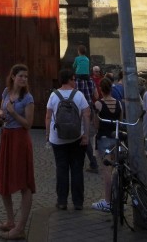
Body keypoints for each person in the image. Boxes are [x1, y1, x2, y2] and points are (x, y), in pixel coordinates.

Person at [0, 64, 35, 241]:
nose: (24, 79)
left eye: (26, 76)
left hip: (20, 139)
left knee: (24, 184)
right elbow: (3, 110)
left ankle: (20, 228)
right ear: (13, 77)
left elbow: (28, 124)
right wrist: (2, 113)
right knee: (3, 178)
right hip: (7, 137)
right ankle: (10, 220)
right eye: (21, 76)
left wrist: (13, 113)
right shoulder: (5, 92)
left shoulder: (28, 98)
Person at [45, 68, 90, 211]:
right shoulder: (79, 95)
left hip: (57, 139)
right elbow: (87, 115)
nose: (75, 81)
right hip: (77, 137)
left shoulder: (53, 95)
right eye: (74, 79)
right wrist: (86, 135)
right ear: (70, 80)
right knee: (77, 169)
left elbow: (47, 116)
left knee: (61, 169)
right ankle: (78, 202)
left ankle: (62, 201)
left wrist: (47, 135)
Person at [91, 77, 122, 212]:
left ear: (101, 90)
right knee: (117, 170)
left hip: (103, 139)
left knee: (107, 172)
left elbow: (96, 124)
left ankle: (108, 201)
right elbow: (120, 122)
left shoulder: (98, 104)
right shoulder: (119, 103)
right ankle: (119, 199)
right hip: (116, 139)